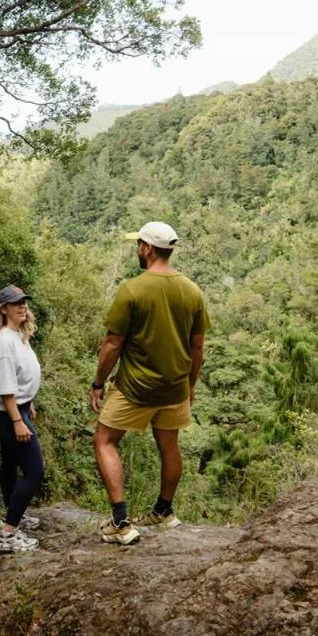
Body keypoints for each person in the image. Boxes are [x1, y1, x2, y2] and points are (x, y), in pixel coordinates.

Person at [89, 221, 209, 545]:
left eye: (138, 244)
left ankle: (120, 523)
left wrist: (98, 382)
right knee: (169, 446)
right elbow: (197, 346)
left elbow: (113, 344)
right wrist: (190, 384)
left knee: (104, 440)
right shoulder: (192, 291)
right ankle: (164, 511)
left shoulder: (133, 290)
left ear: (147, 249)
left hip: (136, 388)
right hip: (175, 388)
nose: (137, 249)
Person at [0, 284, 45, 552]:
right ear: (3, 309)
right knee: (34, 470)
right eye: (16, 303)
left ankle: (11, 513)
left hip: (18, 409)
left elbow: (22, 378)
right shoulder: (4, 343)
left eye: (24, 302)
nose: (22, 306)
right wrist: (18, 421)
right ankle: (7, 535)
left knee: (10, 463)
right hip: (8, 414)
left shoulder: (18, 334)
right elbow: (6, 388)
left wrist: (27, 404)